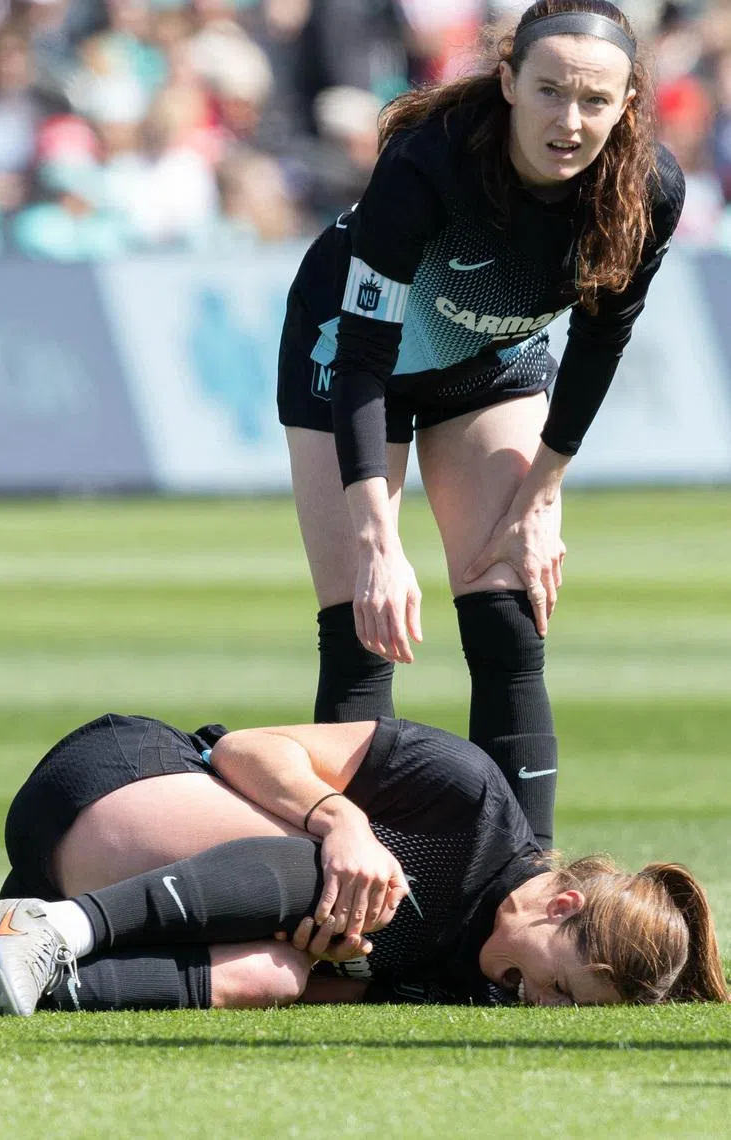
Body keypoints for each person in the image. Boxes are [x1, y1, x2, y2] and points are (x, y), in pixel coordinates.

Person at [277, 0, 685, 850]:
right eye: (548, 91)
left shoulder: (649, 188)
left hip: (487, 364)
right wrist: (378, 541)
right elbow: (362, 354)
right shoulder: (430, 163)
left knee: (508, 609)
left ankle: (520, 884)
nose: (568, 122)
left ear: (628, 106)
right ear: (507, 82)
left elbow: (599, 345)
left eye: (594, 101)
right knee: (364, 627)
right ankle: (362, 905)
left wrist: (541, 497)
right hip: (351, 356)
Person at [0, 713, 727, 1017]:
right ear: (562, 903)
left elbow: (328, 979)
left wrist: (325, 958)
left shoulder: (474, 979)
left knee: (279, 973)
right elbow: (245, 749)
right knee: (354, 873)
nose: (541, 1006)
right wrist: (343, 823)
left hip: (121, 881)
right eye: (562, 989)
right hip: (113, 785)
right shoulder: (471, 798)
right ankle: (58, 931)